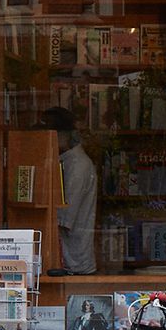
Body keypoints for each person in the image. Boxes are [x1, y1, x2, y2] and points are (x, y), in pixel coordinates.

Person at [38, 106, 97, 275]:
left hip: (75, 263)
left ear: (61, 135)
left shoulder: (78, 166)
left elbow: (65, 217)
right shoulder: (66, 161)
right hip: (69, 259)